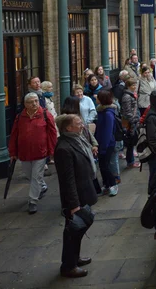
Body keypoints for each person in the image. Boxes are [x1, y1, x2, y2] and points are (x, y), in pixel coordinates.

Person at [54, 114, 98, 278]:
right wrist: (74, 205)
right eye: (78, 123)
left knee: (78, 230)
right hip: (76, 197)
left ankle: (75, 258)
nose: (82, 126)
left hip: (84, 191)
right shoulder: (64, 148)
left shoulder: (77, 140)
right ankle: (68, 266)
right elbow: (68, 180)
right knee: (72, 231)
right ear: (68, 128)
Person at [8, 93, 57, 214]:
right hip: (24, 153)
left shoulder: (45, 115)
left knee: (36, 177)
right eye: (31, 102)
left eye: (36, 101)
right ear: (25, 104)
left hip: (40, 152)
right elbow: (14, 135)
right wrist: (13, 152)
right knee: (29, 175)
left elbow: (52, 134)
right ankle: (43, 187)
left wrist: (52, 151)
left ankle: (33, 201)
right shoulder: (20, 117)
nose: (34, 103)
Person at [93, 90, 119, 196]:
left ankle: (113, 184)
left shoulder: (108, 113)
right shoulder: (101, 111)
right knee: (102, 165)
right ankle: (107, 184)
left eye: (98, 97)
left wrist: (103, 147)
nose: (96, 98)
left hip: (107, 144)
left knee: (105, 166)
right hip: (100, 142)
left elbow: (108, 132)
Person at [120, 78, 141, 169]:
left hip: (133, 122)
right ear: (128, 86)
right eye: (133, 85)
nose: (135, 87)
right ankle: (130, 162)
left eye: (135, 85)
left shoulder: (131, 95)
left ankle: (131, 160)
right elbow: (127, 112)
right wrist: (134, 120)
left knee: (131, 143)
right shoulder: (127, 97)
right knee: (130, 143)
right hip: (130, 123)